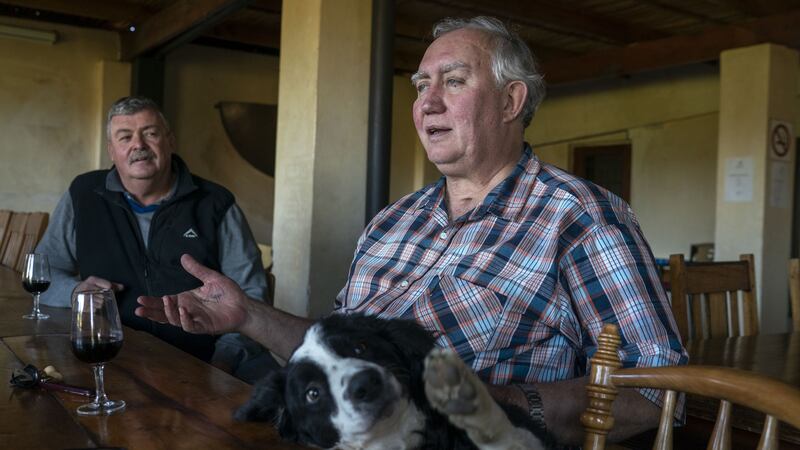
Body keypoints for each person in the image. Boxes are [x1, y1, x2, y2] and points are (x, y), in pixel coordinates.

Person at [135, 17, 687, 445]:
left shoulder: (580, 216)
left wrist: (496, 402)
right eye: (422, 85)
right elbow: (336, 354)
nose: (427, 103)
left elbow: (658, 394)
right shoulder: (392, 221)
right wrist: (249, 316)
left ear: (511, 101)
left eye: (454, 81)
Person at [36, 96, 277, 383]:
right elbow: (44, 273)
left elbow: (251, 295)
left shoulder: (215, 203)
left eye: (150, 133)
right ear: (112, 151)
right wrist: (75, 292)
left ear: (170, 141)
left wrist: (222, 362)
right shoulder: (83, 194)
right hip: (111, 360)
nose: (138, 145)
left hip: (205, 359)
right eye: (125, 137)